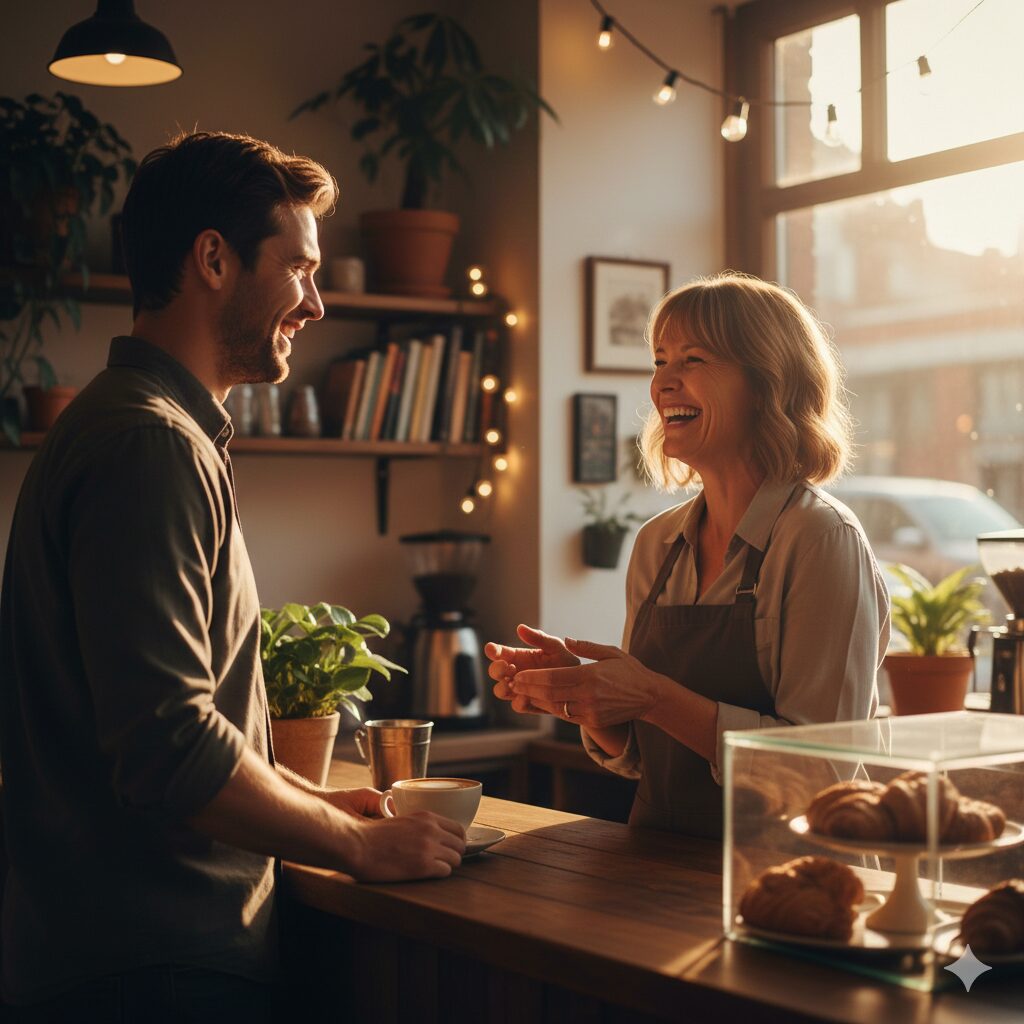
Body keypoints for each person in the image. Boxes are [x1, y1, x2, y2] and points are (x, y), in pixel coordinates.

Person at [0, 131, 464, 1020]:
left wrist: (320, 800)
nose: (317, 303)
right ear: (214, 259)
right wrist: (359, 850)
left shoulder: (140, 428)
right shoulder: (149, 443)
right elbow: (168, 746)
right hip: (155, 971)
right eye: (299, 268)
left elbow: (186, 732)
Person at [486, 273, 890, 838]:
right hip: (658, 873)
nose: (663, 385)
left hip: (790, 882)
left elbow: (820, 773)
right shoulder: (658, 544)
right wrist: (586, 699)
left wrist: (652, 696)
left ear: (766, 382)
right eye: (658, 362)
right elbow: (641, 760)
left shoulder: (821, 540)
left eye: (692, 360)